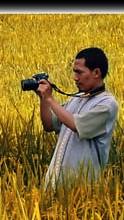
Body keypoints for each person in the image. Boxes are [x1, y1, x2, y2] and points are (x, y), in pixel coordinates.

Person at [36, 47, 118, 190]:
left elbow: (76, 125)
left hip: (82, 189)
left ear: (96, 73)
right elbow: (49, 124)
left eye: (79, 72)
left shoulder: (107, 104)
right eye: (74, 72)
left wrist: (50, 99)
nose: (75, 78)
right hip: (55, 185)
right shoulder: (77, 98)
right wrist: (43, 98)